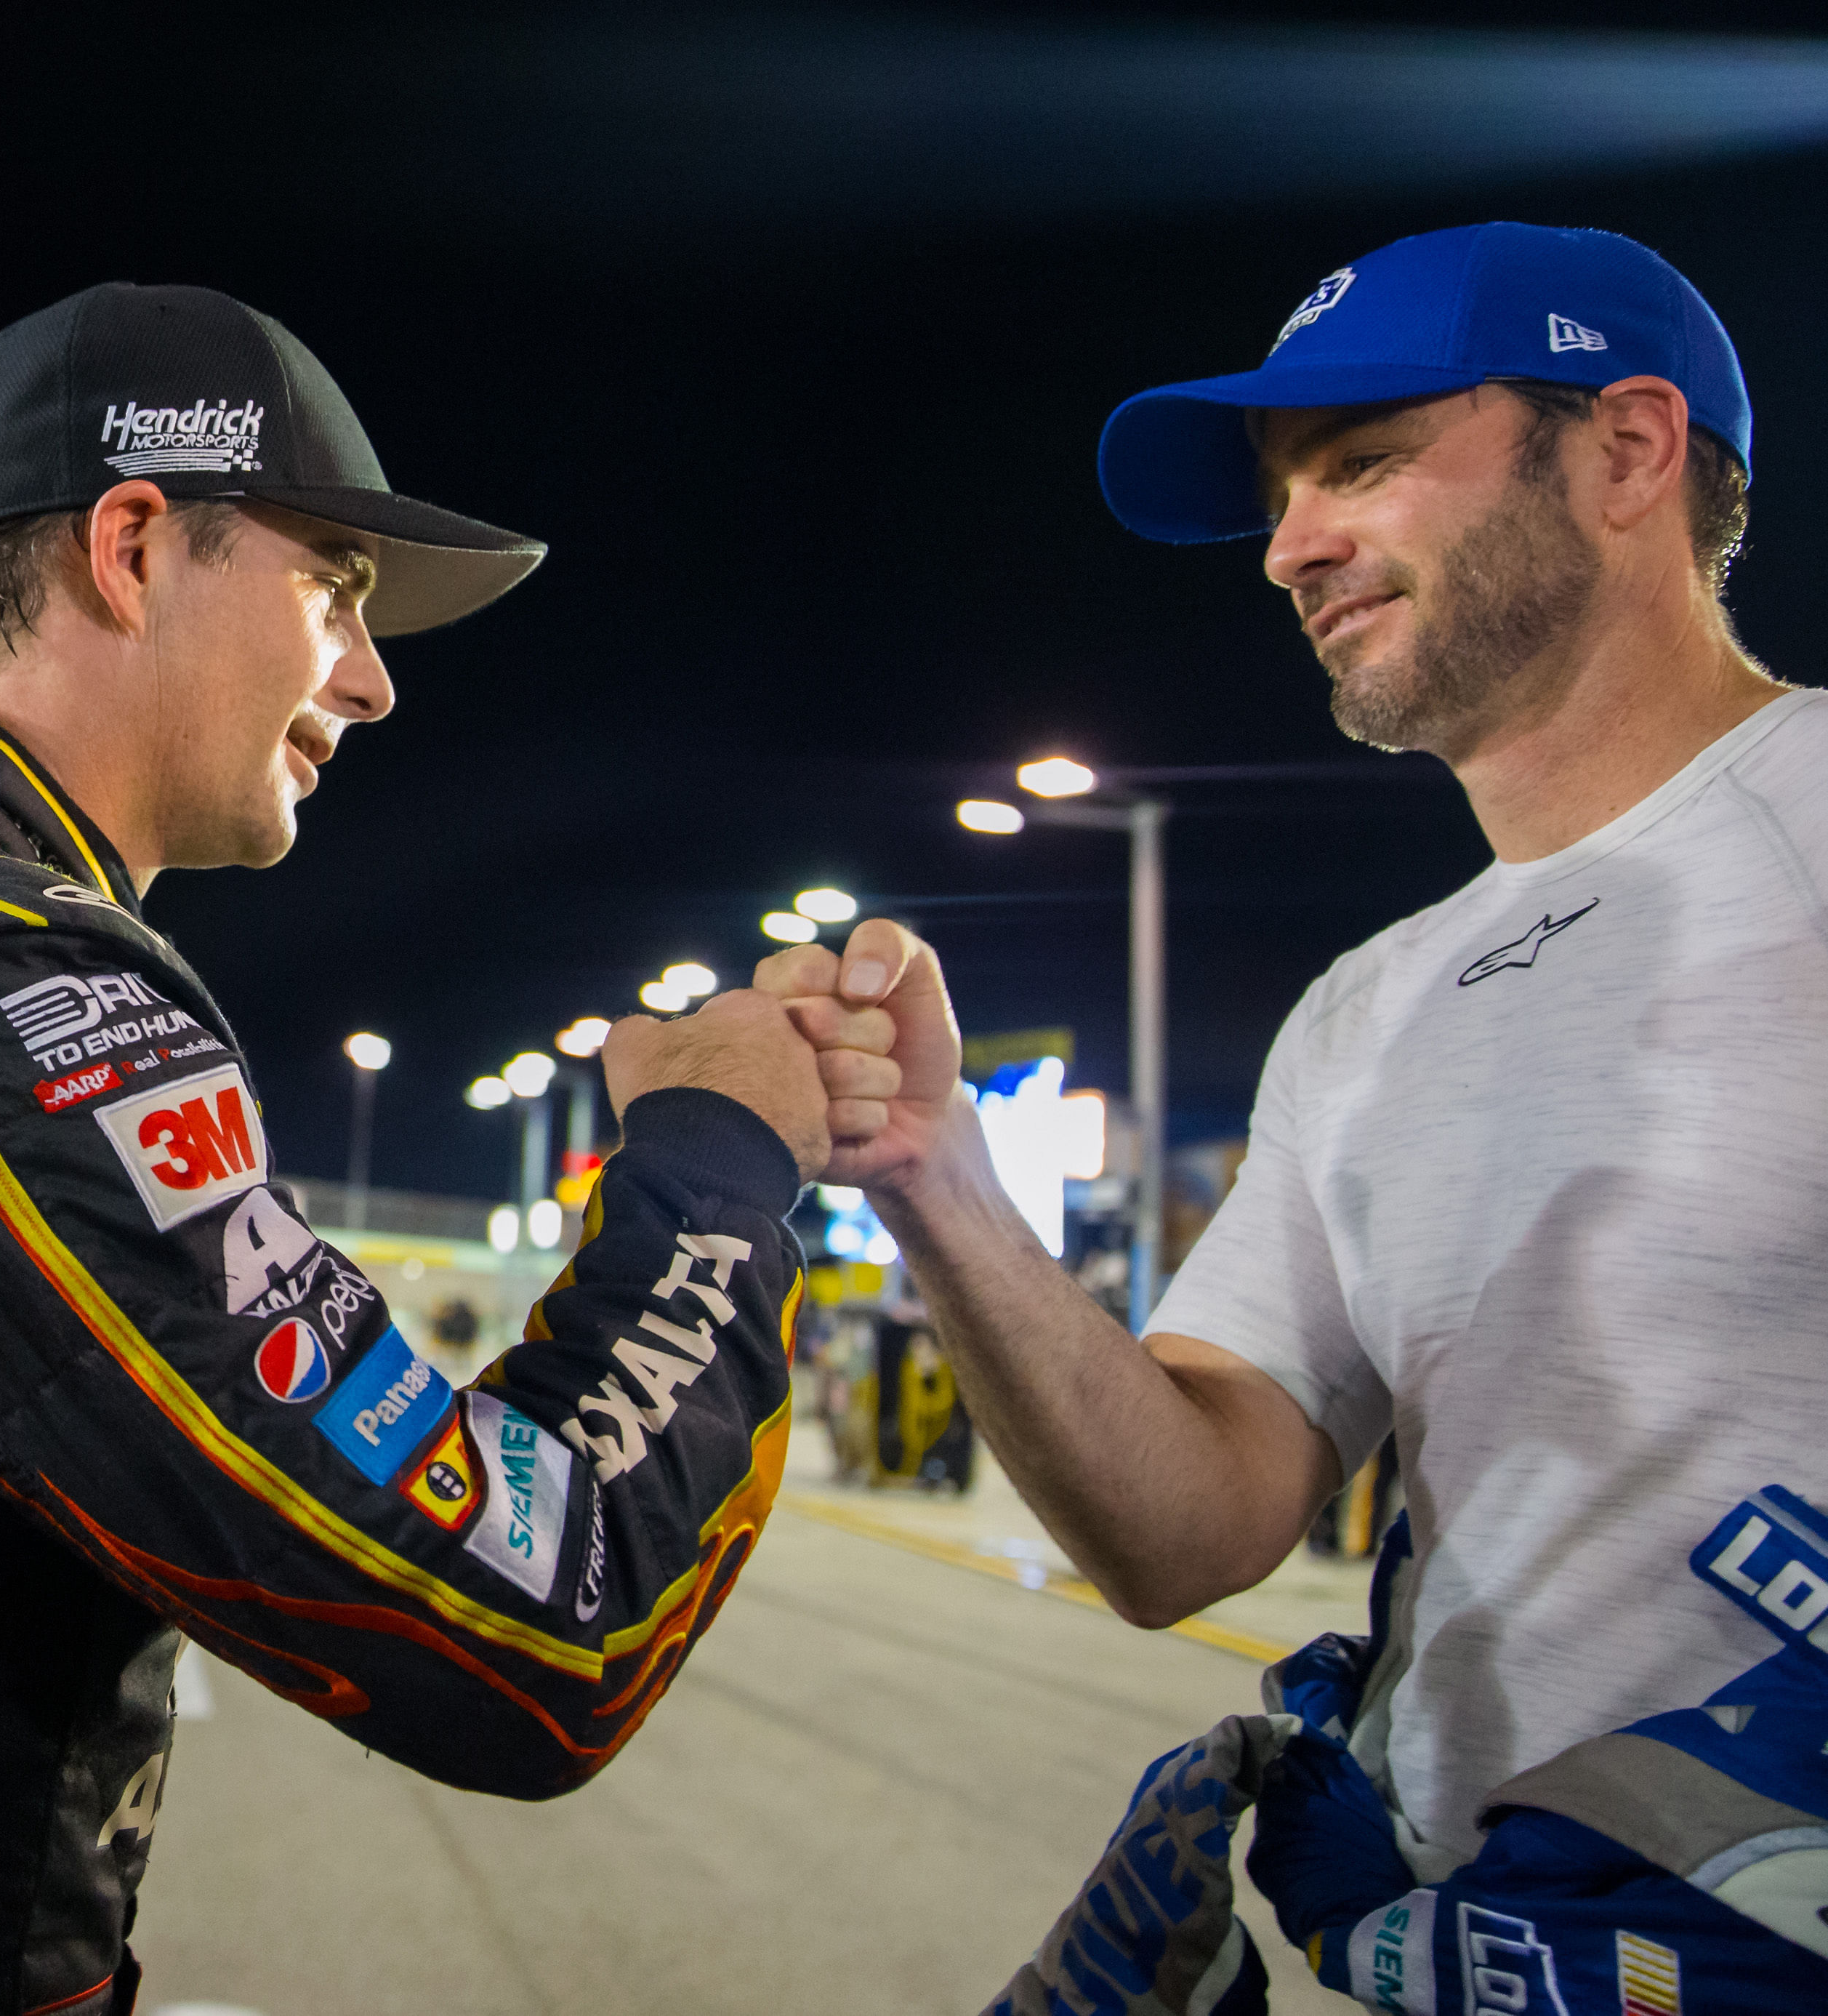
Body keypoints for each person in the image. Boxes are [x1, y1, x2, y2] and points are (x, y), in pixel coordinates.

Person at [0, 283, 855, 2016]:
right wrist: (715, 1165)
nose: (369, 683)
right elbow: (534, 1632)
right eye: (333, 589)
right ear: (134, 546)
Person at [767, 223, 1828, 1893]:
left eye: (1363, 461)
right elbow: (1187, 1525)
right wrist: (937, 1175)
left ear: (1628, 449)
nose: (1289, 548)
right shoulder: (1366, 1013)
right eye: (1278, 496)